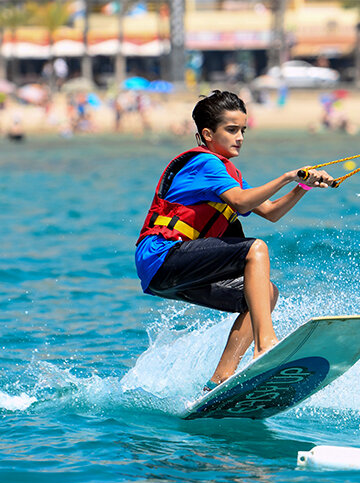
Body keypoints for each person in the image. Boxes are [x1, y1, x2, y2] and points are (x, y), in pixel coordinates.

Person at [134, 90, 334, 391]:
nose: (239, 137)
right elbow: (241, 203)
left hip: (172, 272)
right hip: (163, 257)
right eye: (231, 130)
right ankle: (266, 344)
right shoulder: (204, 163)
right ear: (207, 133)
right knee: (255, 249)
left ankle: (220, 378)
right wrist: (286, 177)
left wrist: (301, 187)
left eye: (243, 130)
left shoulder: (228, 173)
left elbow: (269, 211)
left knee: (264, 293)